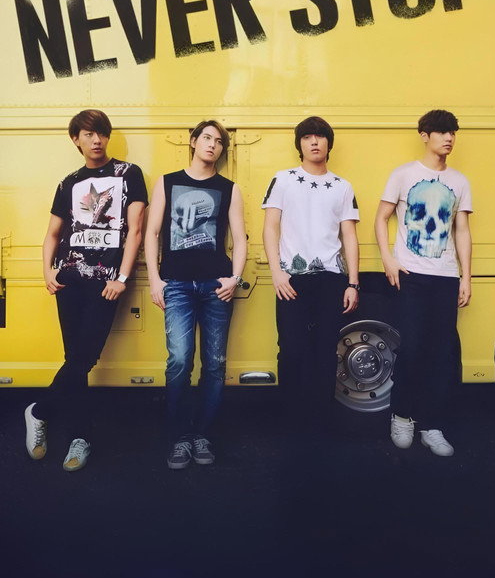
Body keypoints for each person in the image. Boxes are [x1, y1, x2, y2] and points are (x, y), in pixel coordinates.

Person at [24, 110, 148, 471]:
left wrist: (121, 277)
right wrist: (47, 272)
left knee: (84, 358)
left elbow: (136, 231)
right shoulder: (70, 182)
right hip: (69, 280)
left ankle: (38, 411)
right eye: (89, 134)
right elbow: (52, 234)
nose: (97, 140)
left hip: (105, 282)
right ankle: (80, 437)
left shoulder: (129, 174)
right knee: (76, 360)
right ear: (76, 139)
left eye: (102, 133)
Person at [145, 120, 246, 469]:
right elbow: (152, 233)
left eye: (219, 141)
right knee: (179, 359)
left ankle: (201, 434)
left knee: (215, 364)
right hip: (176, 284)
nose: (212, 145)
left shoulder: (229, 189)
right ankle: (178, 437)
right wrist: (155, 280)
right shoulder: (167, 182)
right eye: (206, 138)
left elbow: (241, 238)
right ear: (192, 141)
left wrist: (235, 278)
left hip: (216, 286)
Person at [375, 109, 472, 456]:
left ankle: (432, 425)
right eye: (442, 132)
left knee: (441, 353)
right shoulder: (403, 174)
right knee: (413, 348)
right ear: (425, 136)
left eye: (452, 132)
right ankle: (402, 416)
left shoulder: (459, 181)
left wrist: (465, 276)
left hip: (445, 277)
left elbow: (462, 230)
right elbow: (381, 217)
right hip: (411, 276)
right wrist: (388, 259)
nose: (449, 138)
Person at [262, 116, 360, 428]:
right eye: (307, 137)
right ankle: (292, 418)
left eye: (320, 136)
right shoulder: (283, 180)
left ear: (329, 143)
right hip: (291, 279)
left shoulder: (342, 186)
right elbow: (270, 227)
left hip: (331, 279)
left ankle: (320, 420)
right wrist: (277, 272)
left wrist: (353, 283)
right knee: (291, 349)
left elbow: (349, 236)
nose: (314, 141)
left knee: (324, 350)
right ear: (300, 144)